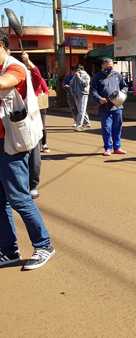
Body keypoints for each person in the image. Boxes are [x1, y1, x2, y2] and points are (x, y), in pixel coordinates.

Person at [0, 34, 55, 270]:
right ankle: (8, 251)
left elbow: (4, 83)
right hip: (1, 142)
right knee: (0, 201)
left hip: (12, 144)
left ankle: (44, 245)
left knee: (19, 199)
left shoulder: (16, 68)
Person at [21, 52, 50, 199]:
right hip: (13, 124)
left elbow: (38, 76)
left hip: (33, 118)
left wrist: (28, 62)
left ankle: (32, 185)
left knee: (34, 156)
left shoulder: (33, 79)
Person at [91, 58, 128, 157]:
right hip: (104, 107)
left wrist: (122, 92)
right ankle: (108, 148)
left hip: (117, 106)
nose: (110, 68)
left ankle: (117, 147)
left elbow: (124, 86)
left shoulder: (117, 75)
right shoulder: (97, 77)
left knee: (117, 127)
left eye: (112, 66)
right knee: (106, 128)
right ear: (103, 65)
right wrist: (99, 98)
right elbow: (93, 91)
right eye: (108, 66)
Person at [70, 64, 91, 131]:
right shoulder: (75, 76)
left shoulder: (86, 76)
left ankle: (79, 125)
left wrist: (79, 77)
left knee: (81, 109)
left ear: (81, 70)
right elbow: (71, 83)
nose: (76, 72)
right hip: (76, 94)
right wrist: (72, 91)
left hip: (83, 94)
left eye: (78, 70)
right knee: (80, 109)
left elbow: (85, 84)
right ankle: (87, 122)